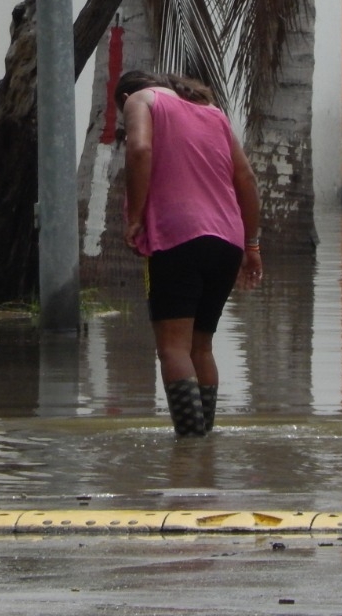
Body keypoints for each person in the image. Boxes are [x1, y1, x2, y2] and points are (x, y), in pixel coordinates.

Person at [114, 69, 262, 437]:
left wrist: (134, 218)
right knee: (201, 346)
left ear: (125, 97)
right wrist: (252, 246)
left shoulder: (140, 100)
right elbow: (246, 179)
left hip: (176, 236)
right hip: (227, 242)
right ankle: (204, 445)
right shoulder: (213, 113)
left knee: (172, 348)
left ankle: (190, 447)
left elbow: (141, 149)